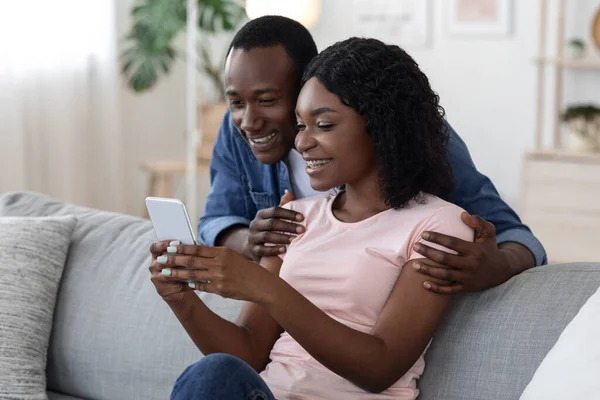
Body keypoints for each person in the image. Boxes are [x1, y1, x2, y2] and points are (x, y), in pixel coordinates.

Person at [150, 36, 474, 399]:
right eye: (302, 125)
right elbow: (248, 353)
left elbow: (380, 368)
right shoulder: (294, 218)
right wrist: (180, 299)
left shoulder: (439, 225)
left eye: (324, 124)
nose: (302, 143)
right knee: (215, 374)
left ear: (382, 124)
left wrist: (264, 287)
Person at [198, 16, 547, 295]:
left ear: (307, 84)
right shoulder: (238, 130)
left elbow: (516, 236)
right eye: (236, 102)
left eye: (268, 99)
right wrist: (250, 241)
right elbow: (216, 219)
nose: (248, 120)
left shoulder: (414, 135)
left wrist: (500, 265)